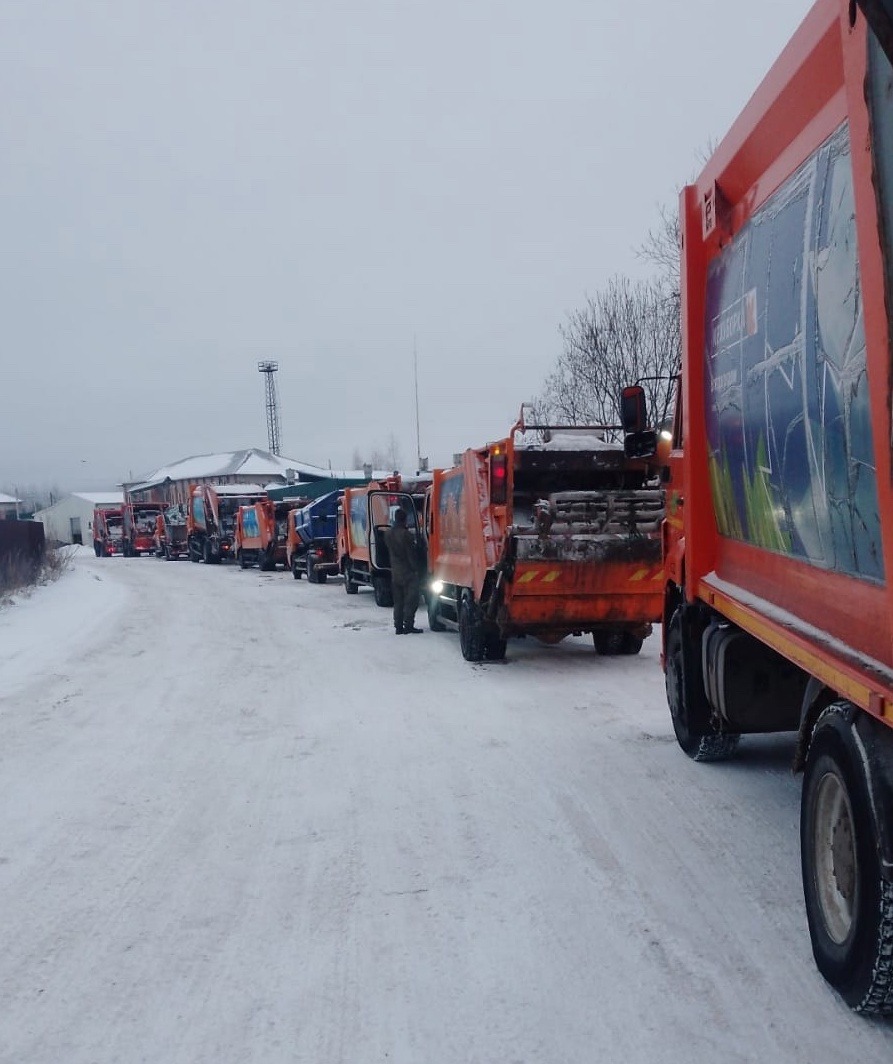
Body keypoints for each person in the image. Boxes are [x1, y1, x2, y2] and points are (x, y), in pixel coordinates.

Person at [384, 507, 423, 635]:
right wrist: (416, 569)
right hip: (408, 573)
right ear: (405, 519)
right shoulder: (407, 535)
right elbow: (410, 555)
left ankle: (398, 626)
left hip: (395, 572)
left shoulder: (388, 534)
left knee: (398, 601)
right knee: (411, 600)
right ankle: (409, 625)